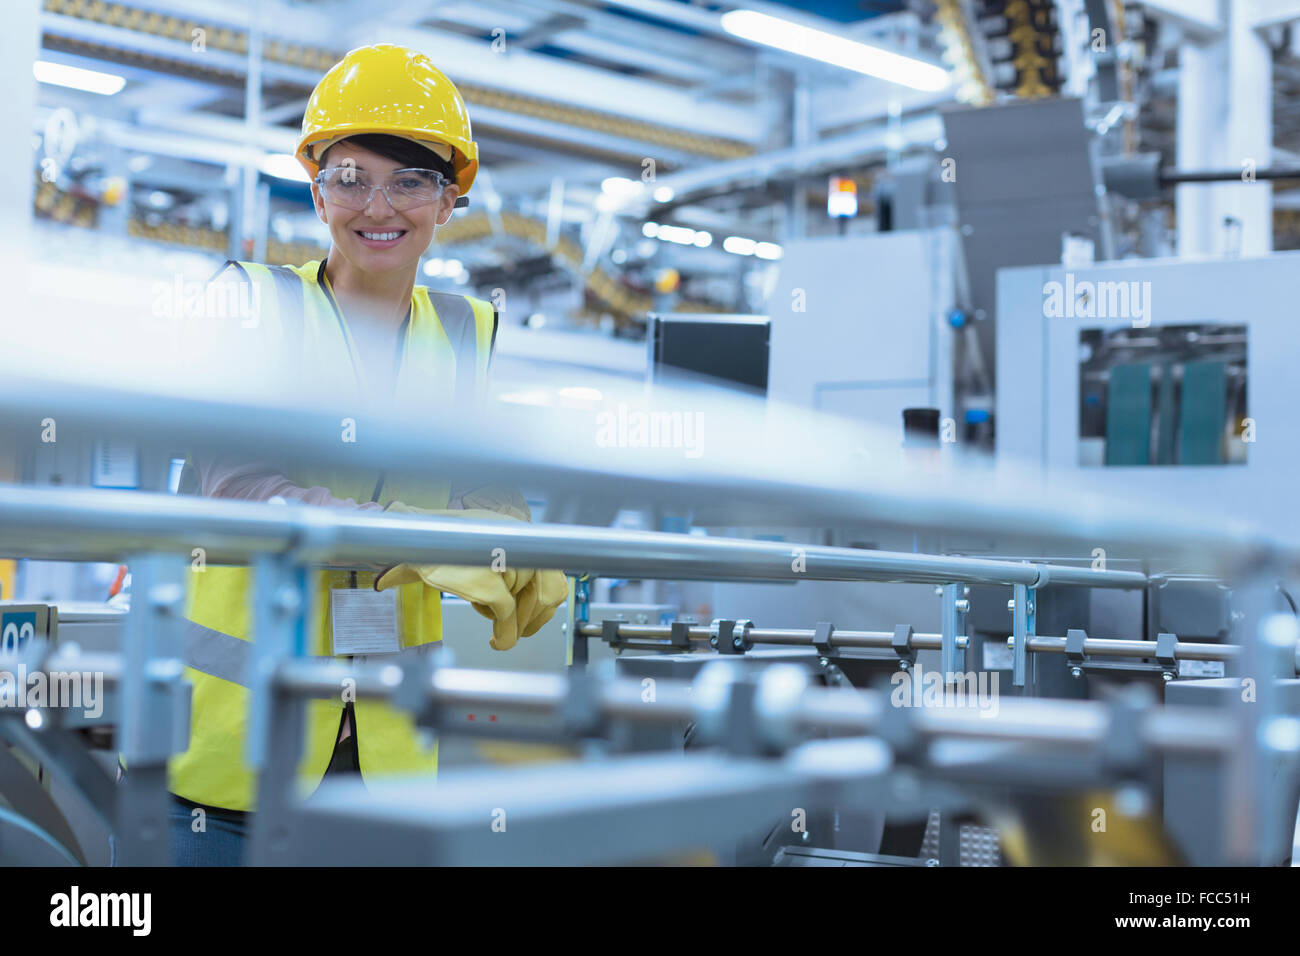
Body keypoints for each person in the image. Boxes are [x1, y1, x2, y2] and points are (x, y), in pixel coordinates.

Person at [163, 43, 560, 865]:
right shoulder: (249, 303)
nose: (378, 204)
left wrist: (514, 538)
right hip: (234, 760)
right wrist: (412, 538)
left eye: (411, 179)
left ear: (450, 199)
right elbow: (241, 491)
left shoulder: (466, 327)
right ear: (316, 191)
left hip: (388, 760)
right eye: (350, 177)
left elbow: (484, 484)